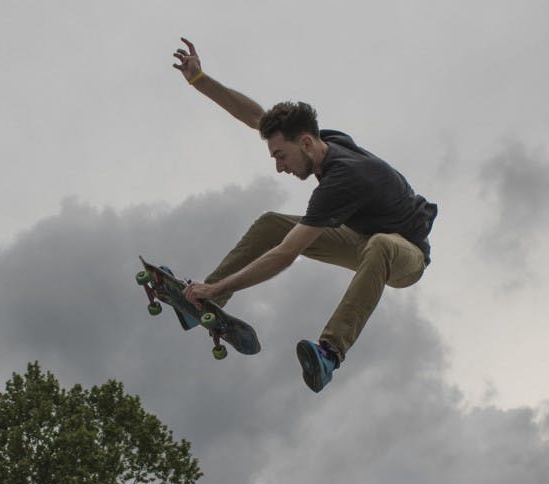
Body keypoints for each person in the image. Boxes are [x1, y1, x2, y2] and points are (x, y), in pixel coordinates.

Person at [172, 38, 438, 393]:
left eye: (281, 156)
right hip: (362, 238)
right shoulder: (325, 140)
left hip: (407, 256)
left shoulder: (341, 181)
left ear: (306, 145)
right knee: (272, 224)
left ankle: (329, 353)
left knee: (379, 245)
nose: (280, 167)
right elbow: (256, 117)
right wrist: (199, 80)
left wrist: (223, 283)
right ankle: (206, 302)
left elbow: (285, 254)